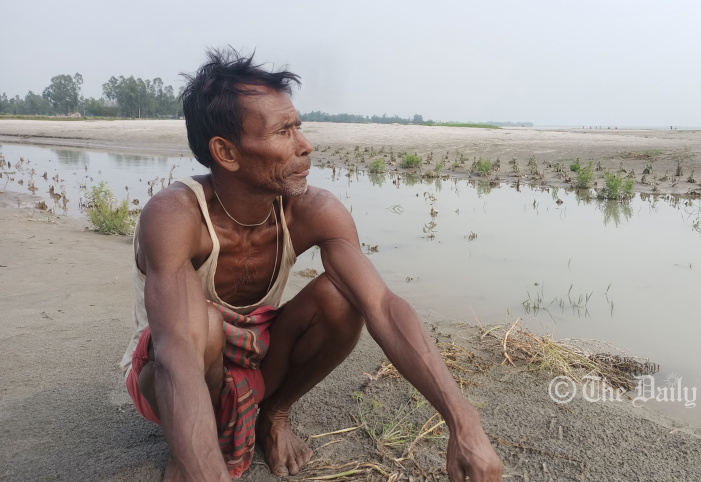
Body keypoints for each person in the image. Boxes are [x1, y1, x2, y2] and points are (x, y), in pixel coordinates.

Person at [119, 49, 503, 481]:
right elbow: (175, 351)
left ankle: (273, 415)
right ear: (226, 152)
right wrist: (201, 467)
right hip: (173, 369)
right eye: (284, 132)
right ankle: (189, 446)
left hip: (258, 352)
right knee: (204, 328)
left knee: (342, 300)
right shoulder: (176, 216)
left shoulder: (314, 210)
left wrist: (463, 423)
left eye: (298, 126)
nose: (306, 145)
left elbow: (383, 307)